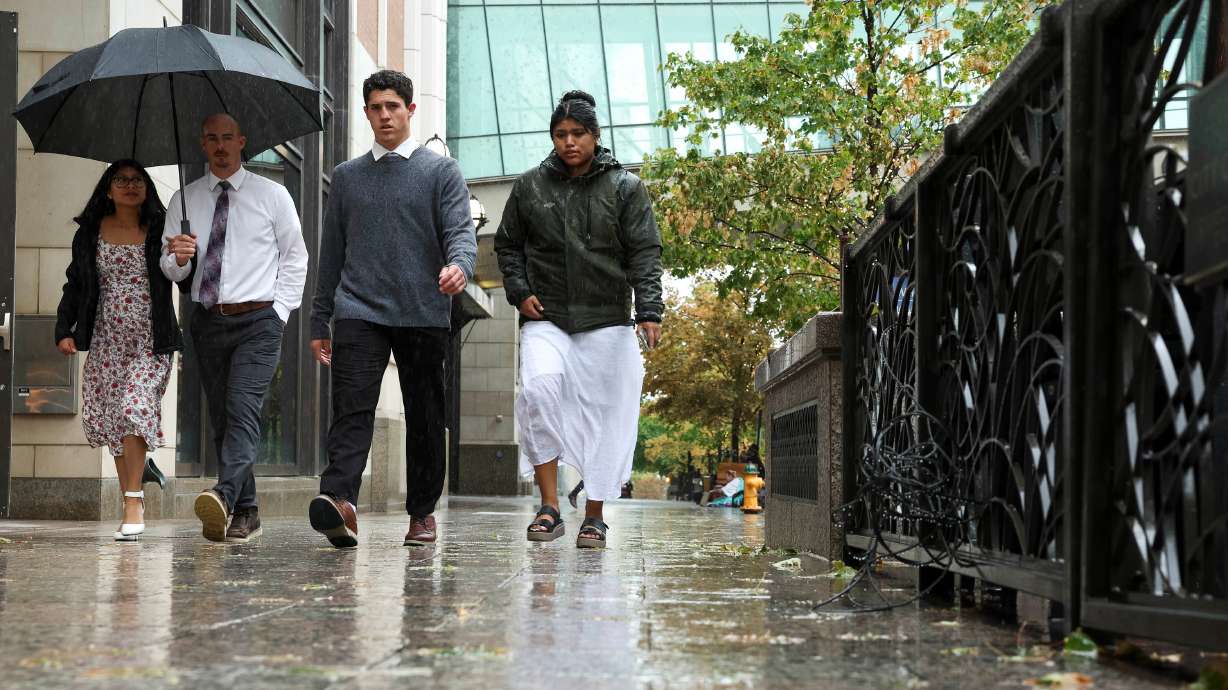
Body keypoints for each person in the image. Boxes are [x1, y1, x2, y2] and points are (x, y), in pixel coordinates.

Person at [307, 70, 476, 549]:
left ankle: (422, 513)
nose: (385, 115)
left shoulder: (441, 172)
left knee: (425, 416)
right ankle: (340, 500)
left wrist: (460, 267)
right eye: (376, 108)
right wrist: (320, 317)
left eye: (393, 107)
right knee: (351, 409)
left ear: (410, 111)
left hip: (423, 310)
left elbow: (461, 233)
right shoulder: (347, 177)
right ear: (366, 113)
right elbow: (331, 251)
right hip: (358, 309)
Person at [495, 90, 664, 549]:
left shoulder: (625, 187)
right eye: (560, 134)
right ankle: (549, 507)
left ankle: (594, 515)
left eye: (578, 134)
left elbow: (645, 253)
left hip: (608, 317)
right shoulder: (530, 186)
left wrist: (649, 310)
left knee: (608, 414)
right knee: (539, 391)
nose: (569, 142)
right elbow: (507, 245)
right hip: (547, 316)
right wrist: (519, 291)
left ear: (595, 135)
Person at [162, 113, 309, 543]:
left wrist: (280, 312)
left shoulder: (273, 195)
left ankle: (224, 496)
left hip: (259, 320)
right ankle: (247, 510)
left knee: (243, 408)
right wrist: (179, 258)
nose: (221, 145)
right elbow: (169, 270)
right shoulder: (184, 200)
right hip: (208, 319)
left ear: (242, 141)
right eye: (212, 138)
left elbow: (295, 256)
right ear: (203, 144)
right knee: (223, 418)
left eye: (228, 137)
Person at [56, 160, 183, 541]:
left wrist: (182, 255)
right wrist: (64, 329)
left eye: (137, 180)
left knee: (133, 407)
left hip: (151, 339)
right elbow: (75, 283)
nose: (130, 185)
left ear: (146, 188)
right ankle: (136, 481)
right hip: (106, 339)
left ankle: (133, 501)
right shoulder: (90, 233)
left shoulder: (161, 228)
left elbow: (180, 274)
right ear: (108, 189)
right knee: (113, 420)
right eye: (121, 180)